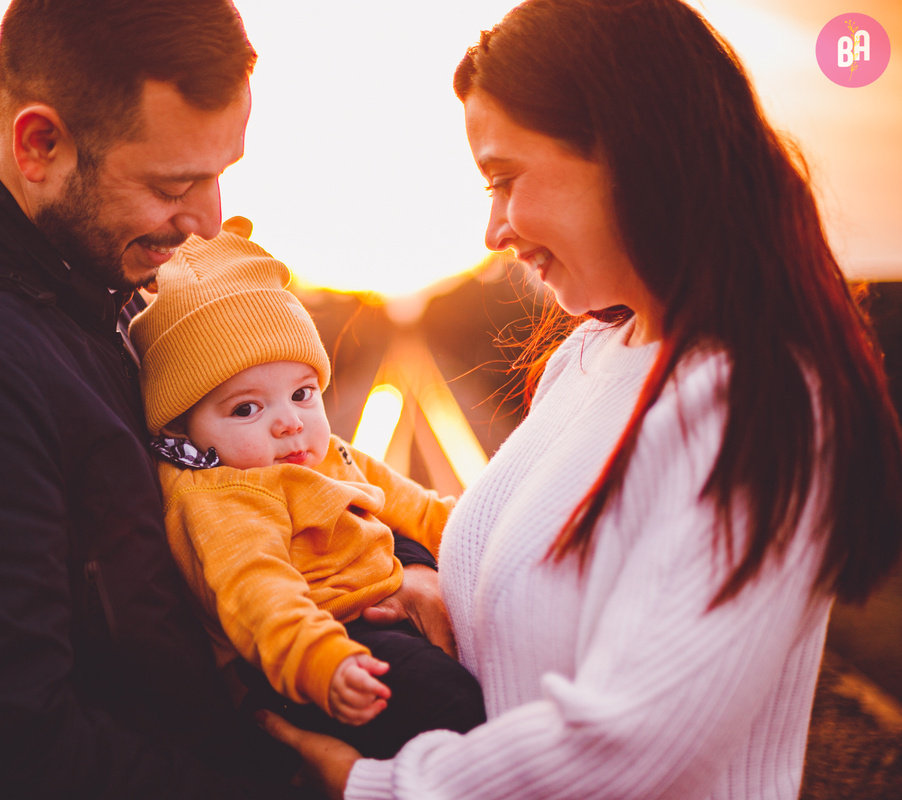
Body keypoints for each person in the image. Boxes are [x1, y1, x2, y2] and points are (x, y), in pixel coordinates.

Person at [0, 2, 449, 797]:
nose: (206, 219)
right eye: (175, 183)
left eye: (220, 173)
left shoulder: (98, 289)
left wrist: (393, 567)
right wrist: (294, 785)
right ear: (40, 145)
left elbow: (229, 496)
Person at [260, 1, 902, 798]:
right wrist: (429, 591)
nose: (494, 227)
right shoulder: (593, 356)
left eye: (504, 179)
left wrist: (374, 785)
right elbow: (548, 604)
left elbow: (638, 741)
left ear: (627, 151)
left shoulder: (749, 399)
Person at [127, 227, 486, 759]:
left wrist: (487, 532)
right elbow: (257, 592)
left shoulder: (326, 453)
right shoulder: (225, 496)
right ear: (184, 428)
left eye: (301, 394)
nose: (289, 423)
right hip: (314, 650)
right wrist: (324, 660)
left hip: (368, 621)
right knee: (448, 701)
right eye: (247, 408)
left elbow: (420, 509)